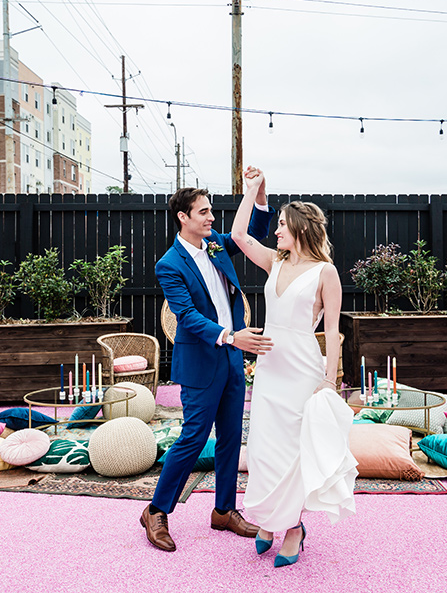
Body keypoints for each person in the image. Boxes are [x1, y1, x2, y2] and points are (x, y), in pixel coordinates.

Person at [232, 167, 358, 568]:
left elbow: (335, 331)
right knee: (266, 449)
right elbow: (238, 236)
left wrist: (328, 380)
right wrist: (252, 191)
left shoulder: (326, 272)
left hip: (304, 369)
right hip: (270, 368)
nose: (276, 231)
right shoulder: (275, 261)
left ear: (302, 228)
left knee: (294, 452)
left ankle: (293, 529)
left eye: (283, 225)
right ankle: (269, 519)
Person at [140, 181, 276, 552]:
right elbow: (186, 316)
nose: (211, 217)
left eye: (211, 211)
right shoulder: (169, 264)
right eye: (203, 212)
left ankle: (224, 510)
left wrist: (259, 197)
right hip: (202, 361)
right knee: (193, 438)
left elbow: (253, 234)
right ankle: (155, 511)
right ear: (183, 218)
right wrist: (233, 337)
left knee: (233, 436)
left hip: (232, 359)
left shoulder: (216, 244)